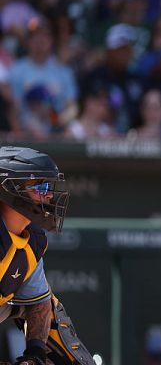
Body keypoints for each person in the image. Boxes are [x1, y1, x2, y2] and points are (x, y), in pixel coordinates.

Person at [0, 146, 95, 365]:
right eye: (40, 187)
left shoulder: (32, 240)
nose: (49, 195)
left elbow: (39, 304)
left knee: (50, 307)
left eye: (49, 187)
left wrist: (34, 356)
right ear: (7, 188)